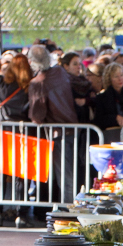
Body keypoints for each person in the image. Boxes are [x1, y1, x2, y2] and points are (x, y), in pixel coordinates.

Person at [29, 43, 77, 208]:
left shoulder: (38, 82)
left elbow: (37, 115)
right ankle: (68, 209)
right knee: (67, 175)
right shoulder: (60, 71)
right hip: (71, 129)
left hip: (57, 133)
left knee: (64, 176)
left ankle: (67, 213)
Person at [0, 52, 32, 227]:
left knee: (0, 174)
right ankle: (20, 213)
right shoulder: (30, 88)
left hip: (2, 133)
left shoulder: (0, 85)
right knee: (21, 176)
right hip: (23, 134)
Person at [94, 61, 123, 140]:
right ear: (109, 79)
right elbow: (99, 119)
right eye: (116, 76)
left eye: (122, 75)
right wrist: (115, 118)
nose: (120, 79)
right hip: (111, 136)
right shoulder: (102, 98)